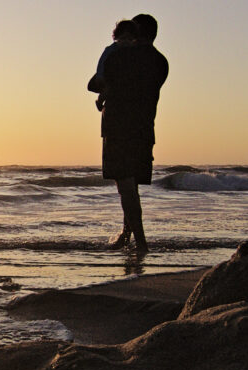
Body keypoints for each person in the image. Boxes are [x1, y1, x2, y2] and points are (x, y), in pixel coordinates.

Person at [92, 14, 167, 252]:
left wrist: (105, 91)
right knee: (131, 184)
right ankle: (127, 234)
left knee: (125, 186)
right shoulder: (160, 62)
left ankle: (140, 242)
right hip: (144, 129)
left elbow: (95, 83)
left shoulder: (119, 56)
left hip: (117, 127)